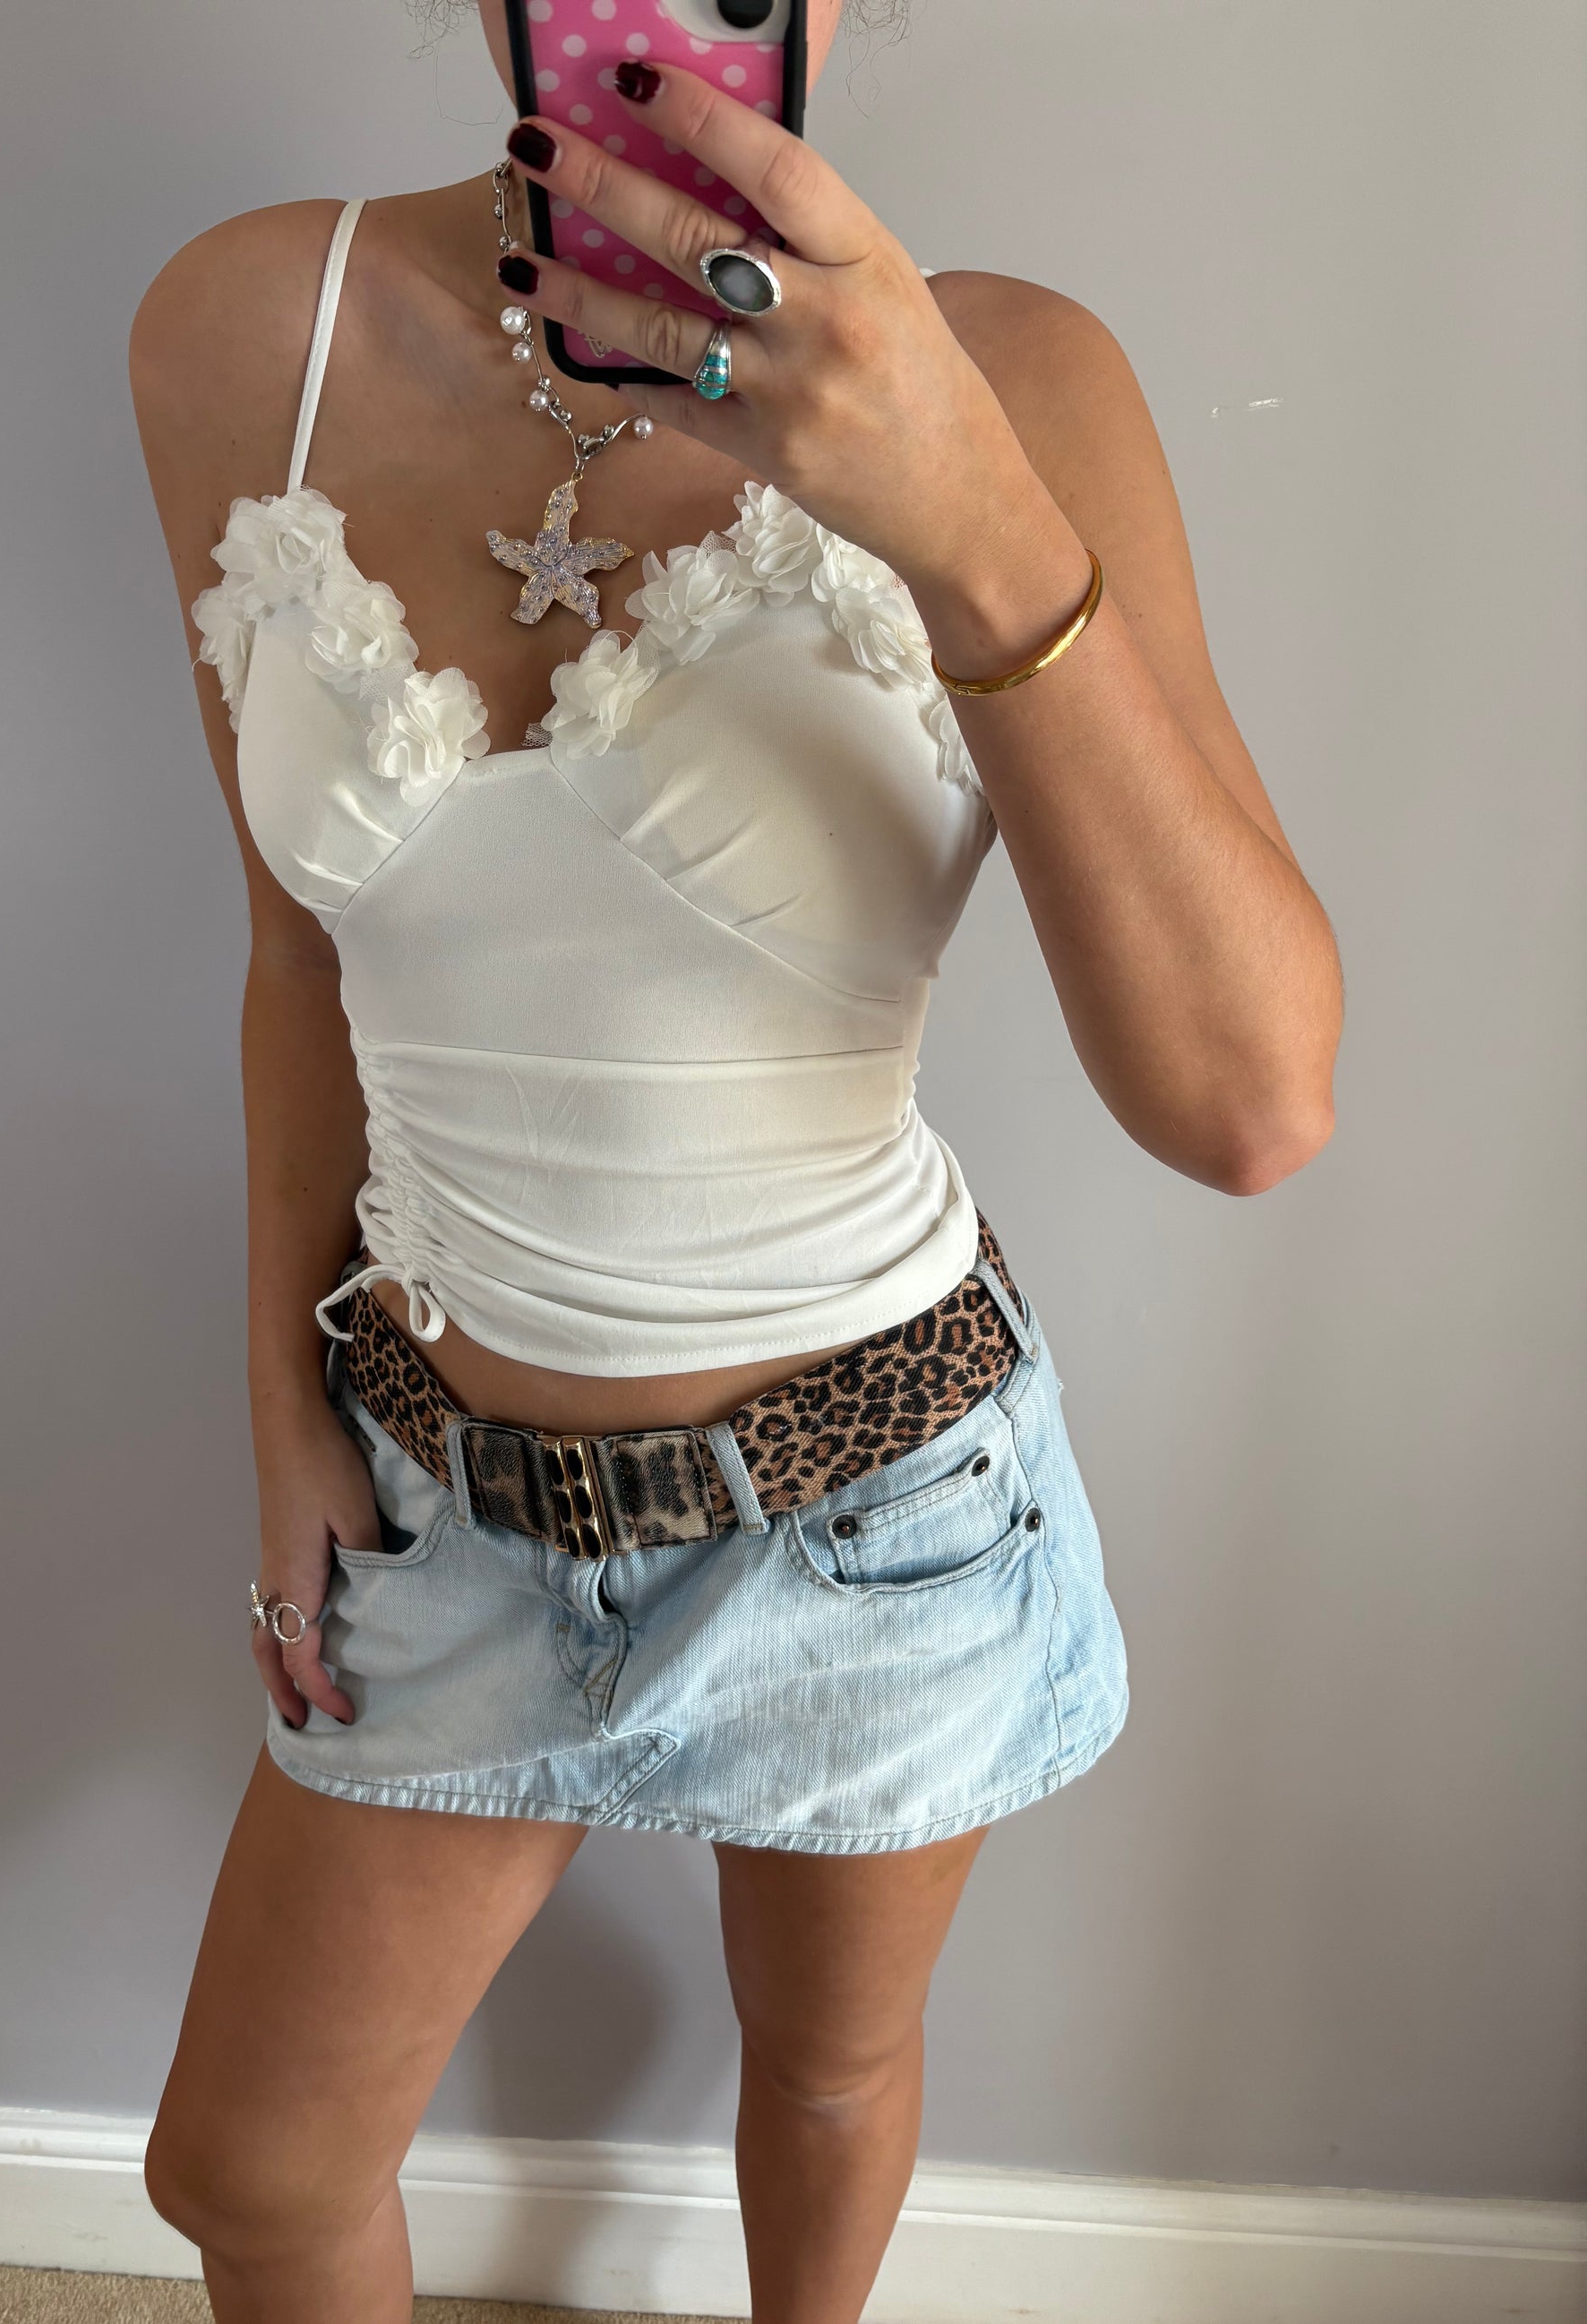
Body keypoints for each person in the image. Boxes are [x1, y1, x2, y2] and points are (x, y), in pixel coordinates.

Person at [129, 1, 1342, 2315]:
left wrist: (966, 513)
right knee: (253, 2174)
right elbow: (298, 947)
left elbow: (1249, 1104)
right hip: (442, 1498)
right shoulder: (242, 329)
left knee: (825, 2065)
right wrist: (280, 1398)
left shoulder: (1018, 377)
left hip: (879, 1504)